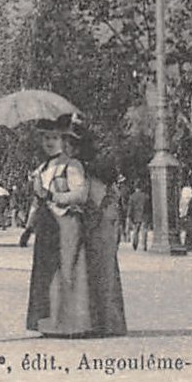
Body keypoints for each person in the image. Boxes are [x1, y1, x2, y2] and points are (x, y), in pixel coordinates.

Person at [26, 114, 92, 337]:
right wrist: (28, 227)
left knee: (67, 270)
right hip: (47, 225)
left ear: (64, 140)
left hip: (67, 224)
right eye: (45, 137)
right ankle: (50, 322)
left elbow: (81, 195)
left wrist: (53, 194)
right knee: (47, 272)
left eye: (54, 137)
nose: (49, 142)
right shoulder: (42, 168)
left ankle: (72, 324)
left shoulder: (71, 165)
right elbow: (37, 200)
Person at [75, 124, 127, 337]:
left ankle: (103, 323)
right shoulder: (101, 169)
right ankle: (110, 322)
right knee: (107, 272)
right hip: (107, 222)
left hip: (99, 224)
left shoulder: (88, 172)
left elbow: (93, 202)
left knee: (99, 272)